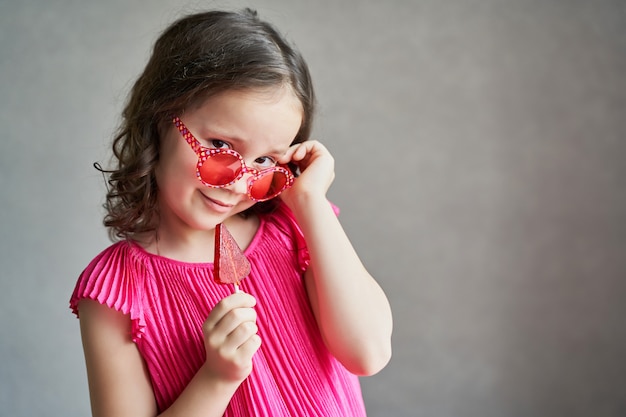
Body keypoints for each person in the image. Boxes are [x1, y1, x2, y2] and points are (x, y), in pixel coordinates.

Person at [69, 8, 393, 417]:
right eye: (221, 148)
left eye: (263, 162)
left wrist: (311, 205)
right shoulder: (117, 291)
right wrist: (217, 378)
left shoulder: (297, 227)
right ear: (160, 120)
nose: (238, 184)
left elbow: (368, 352)